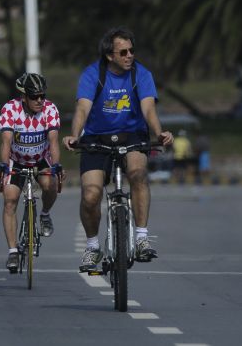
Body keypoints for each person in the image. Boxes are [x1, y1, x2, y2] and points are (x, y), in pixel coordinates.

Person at [63, 27, 174, 272]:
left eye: (132, 50)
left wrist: (159, 133)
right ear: (109, 55)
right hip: (96, 137)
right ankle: (93, 246)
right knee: (91, 195)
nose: (129, 56)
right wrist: (74, 134)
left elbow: (148, 110)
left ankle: (142, 237)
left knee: (138, 174)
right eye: (123, 52)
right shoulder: (93, 74)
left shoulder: (141, 75)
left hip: (132, 135)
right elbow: (82, 108)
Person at [0, 73, 64, 273]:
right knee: (10, 198)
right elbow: (6, 142)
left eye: (42, 95)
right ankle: (12, 251)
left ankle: (44, 214)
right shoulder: (10, 109)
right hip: (16, 159)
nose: (40, 100)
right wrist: (3, 166)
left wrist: (57, 165)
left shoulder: (50, 109)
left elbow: (53, 141)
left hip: (41, 158)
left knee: (49, 185)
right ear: (24, 96)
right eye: (35, 96)